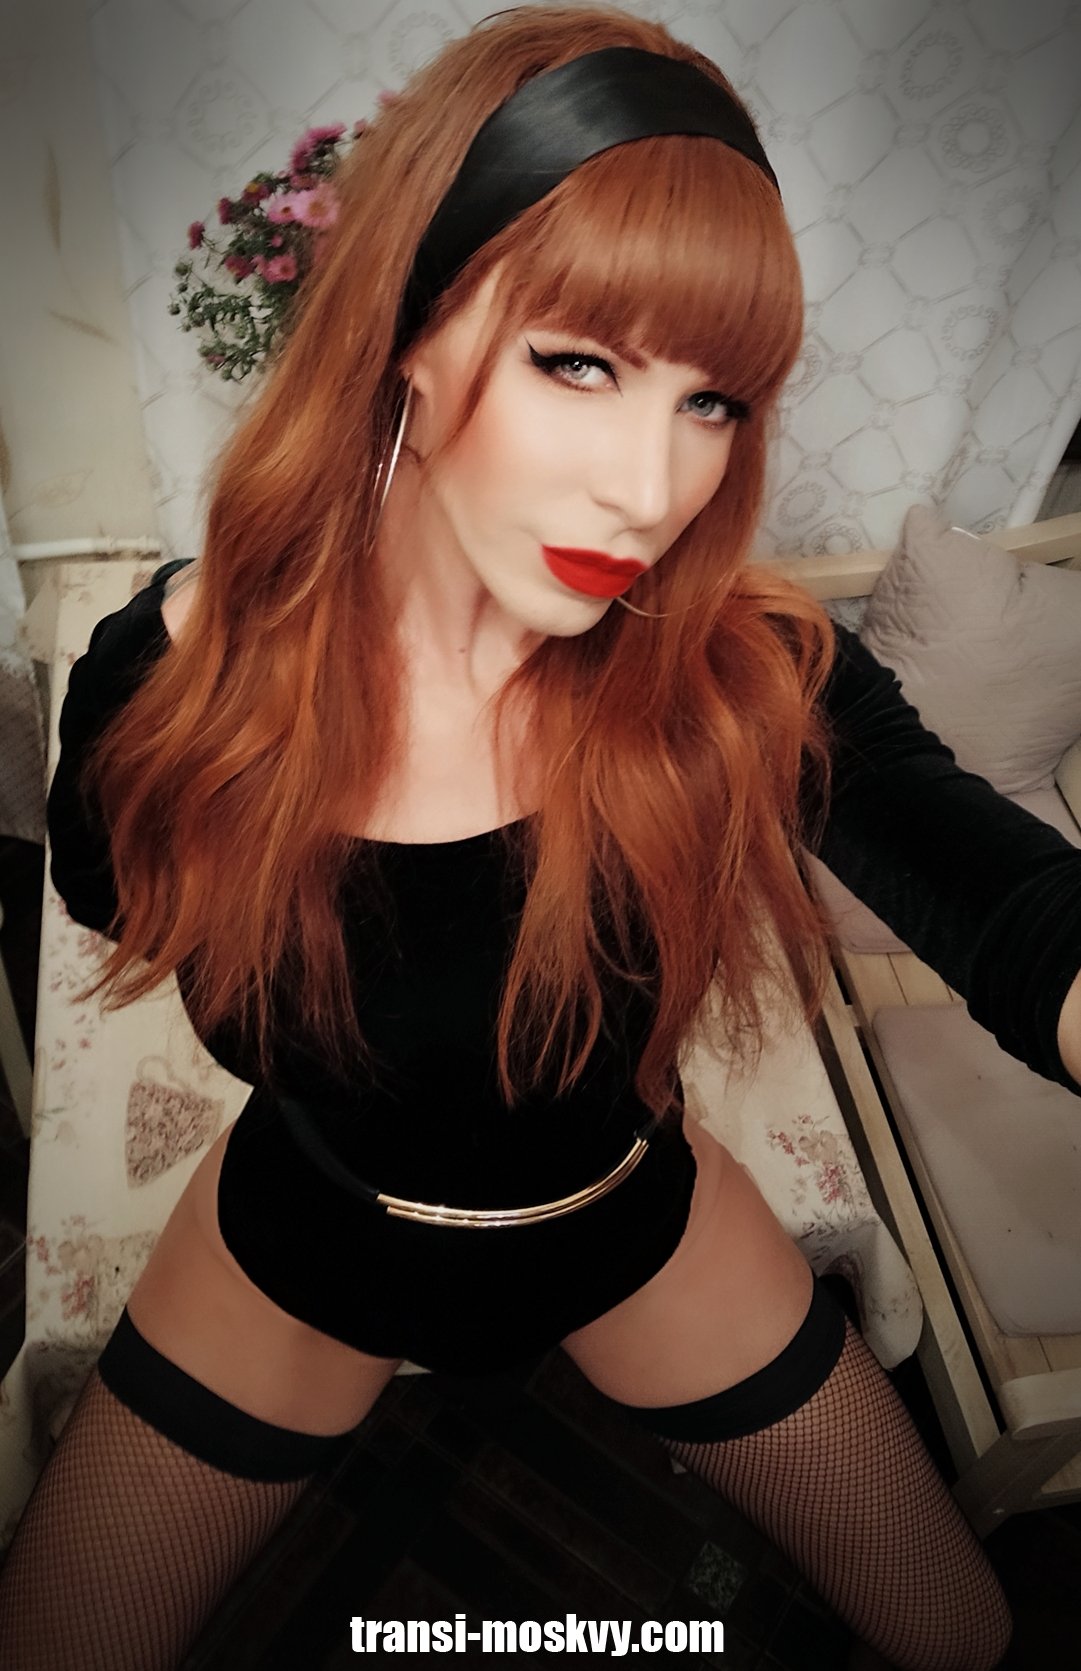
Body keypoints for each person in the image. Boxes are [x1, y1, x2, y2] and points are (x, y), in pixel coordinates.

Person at [2, 5, 1079, 1667]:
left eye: (711, 402)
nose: (651, 489)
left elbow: (1000, 900)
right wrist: (233, 717)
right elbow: (104, 887)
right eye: (577, 363)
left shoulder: (739, 669)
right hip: (302, 1249)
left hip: (638, 1230)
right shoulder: (174, 675)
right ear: (406, 329)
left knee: (962, 1635)